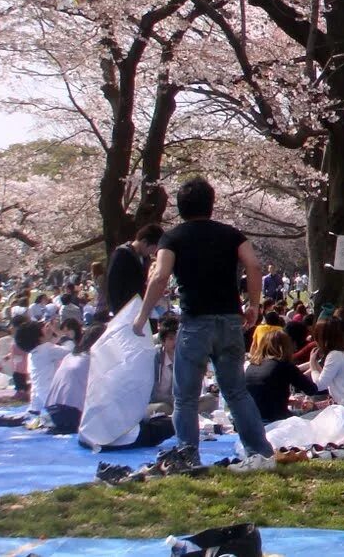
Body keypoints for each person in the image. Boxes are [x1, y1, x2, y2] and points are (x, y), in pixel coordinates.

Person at [133, 176, 275, 472]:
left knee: (184, 397)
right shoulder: (232, 235)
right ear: (211, 204)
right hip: (229, 321)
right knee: (235, 392)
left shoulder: (171, 238)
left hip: (195, 321)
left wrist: (143, 315)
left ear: (180, 206)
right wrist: (253, 305)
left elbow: (160, 277)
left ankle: (188, 457)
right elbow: (254, 265)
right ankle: (260, 454)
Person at [245, 329, 319, 423]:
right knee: (318, 414)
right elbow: (312, 390)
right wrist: (313, 364)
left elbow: (261, 395)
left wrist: (285, 400)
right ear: (286, 346)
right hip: (276, 419)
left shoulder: (251, 366)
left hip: (252, 418)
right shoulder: (284, 366)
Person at [307, 317, 344, 413]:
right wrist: (315, 364)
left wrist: (312, 364)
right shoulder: (343, 353)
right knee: (310, 406)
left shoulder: (334, 356)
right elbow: (327, 379)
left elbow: (320, 385)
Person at [104, 225, 162, 317]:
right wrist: (116, 312)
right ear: (144, 242)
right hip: (123, 309)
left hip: (138, 307)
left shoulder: (145, 258)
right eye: (153, 248)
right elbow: (113, 285)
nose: (153, 252)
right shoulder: (121, 254)